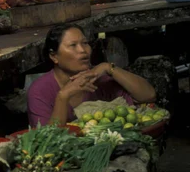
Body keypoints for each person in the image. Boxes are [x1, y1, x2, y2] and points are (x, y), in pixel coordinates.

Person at [27, 23, 156, 126]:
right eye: (73, 45)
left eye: (85, 43)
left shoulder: (100, 79)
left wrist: (108, 67)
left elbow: (148, 95)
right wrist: (63, 96)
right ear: (54, 56)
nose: (83, 50)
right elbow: (47, 140)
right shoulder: (40, 90)